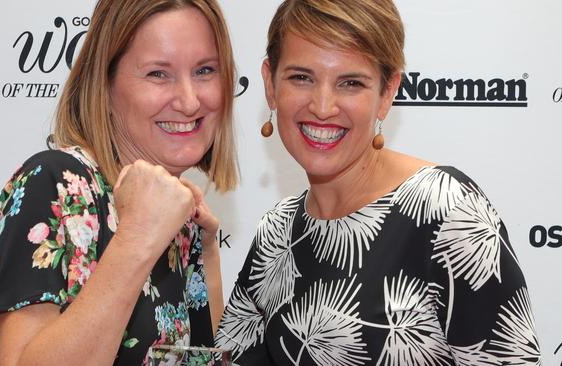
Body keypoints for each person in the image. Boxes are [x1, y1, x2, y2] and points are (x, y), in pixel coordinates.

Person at [216, 0, 541, 365]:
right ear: (270, 85)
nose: (323, 106)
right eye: (301, 77)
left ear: (387, 93)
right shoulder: (276, 233)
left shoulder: (445, 211)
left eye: (351, 83)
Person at [0, 0, 238, 364]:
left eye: (205, 70)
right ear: (106, 81)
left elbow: (203, 358)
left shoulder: (181, 216)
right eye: (158, 74)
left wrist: (206, 251)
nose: (189, 100)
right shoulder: (56, 186)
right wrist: (137, 238)